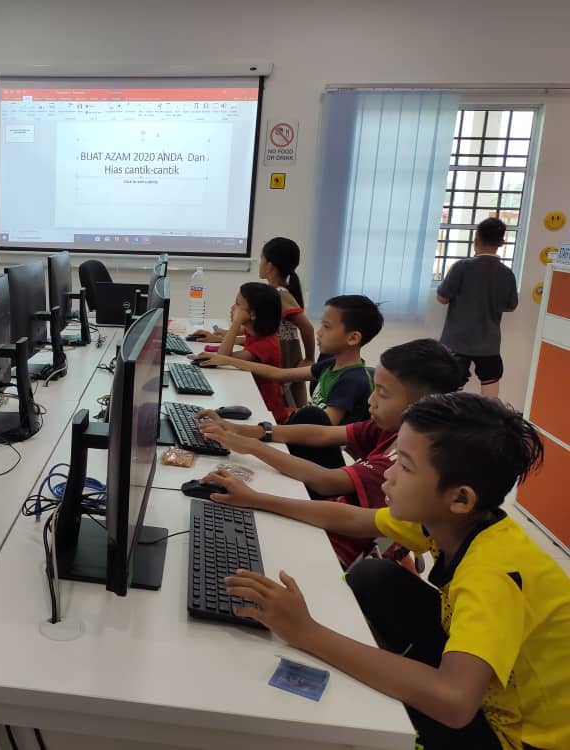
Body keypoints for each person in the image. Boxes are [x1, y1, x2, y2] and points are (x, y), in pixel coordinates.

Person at [202, 393, 569, 750]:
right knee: (374, 577)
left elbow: (455, 703)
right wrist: (255, 499)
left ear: (460, 498)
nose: (389, 474)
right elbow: (351, 519)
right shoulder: (452, 520)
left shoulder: (491, 575)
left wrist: (306, 632)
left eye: (405, 467)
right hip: (490, 682)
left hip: (520, 736)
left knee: (379, 719)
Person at [199, 339, 464, 564]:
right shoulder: (392, 429)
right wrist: (248, 431)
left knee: (222, 542)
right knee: (312, 417)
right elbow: (323, 433)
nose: (370, 401)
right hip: (329, 520)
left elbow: (328, 484)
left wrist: (252, 453)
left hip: (332, 548)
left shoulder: (403, 463)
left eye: (382, 394)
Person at [197, 295, 382, 428]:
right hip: (297, 432)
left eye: (326, 327)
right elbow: (279, 374)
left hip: (312, 451)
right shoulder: (331, 364)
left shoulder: (352, 380)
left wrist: (265, 433)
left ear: (353, 338)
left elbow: (323, 430)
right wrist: (227, 360)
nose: (319, 332)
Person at [437, 217, 518, 398]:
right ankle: (488, 415)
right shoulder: (507, 273)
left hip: (457, 340)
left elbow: (442, 298)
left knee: (453, 383)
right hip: (489, 342)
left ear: (476, 240)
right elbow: (511, 306)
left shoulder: (461, 267)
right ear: (502, 243)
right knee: (491, 381)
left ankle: (452, 415)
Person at [197, 282, 288, 422]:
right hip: (250, 397)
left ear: (253, 314)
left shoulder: (266, 345)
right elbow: (244, 338)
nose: (233, 307)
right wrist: (217, 338)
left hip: (265, 412)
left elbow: (223, 357)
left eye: (238, 304)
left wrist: (236, 322)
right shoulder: (257, 332)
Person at [258, 237, 315, 407]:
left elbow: (307, 328)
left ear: (270, 265)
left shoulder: (280, 294)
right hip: (281, 365)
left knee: (288, 411)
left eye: (261, 258)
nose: (259, 263)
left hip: (286, 365)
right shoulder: (274, 293)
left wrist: (309, 359)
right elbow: (268, 331)